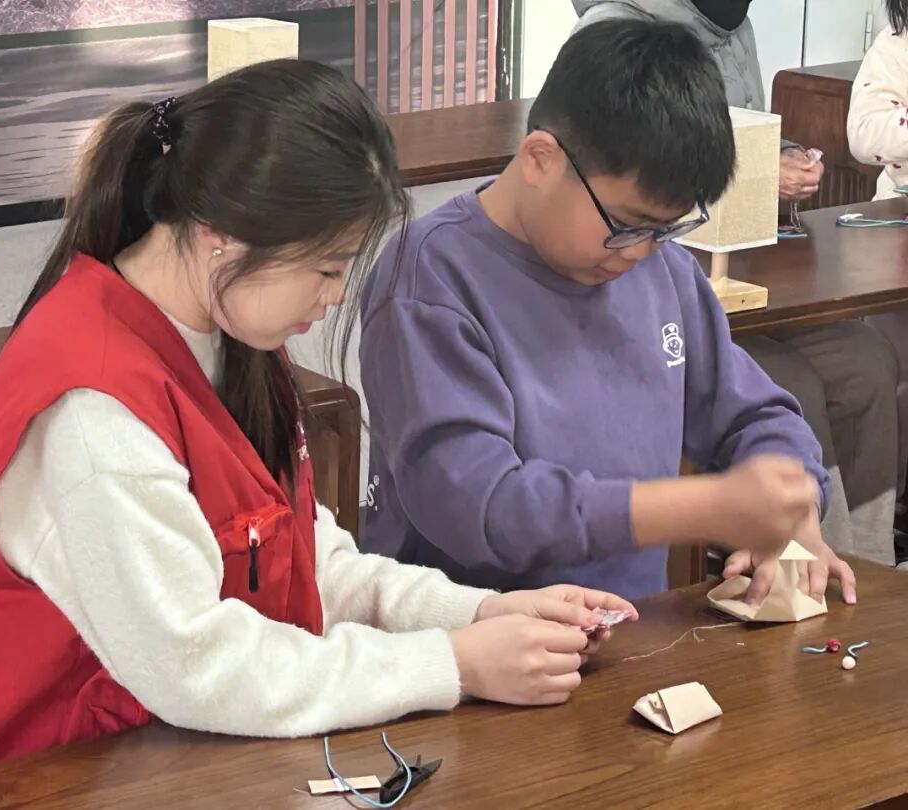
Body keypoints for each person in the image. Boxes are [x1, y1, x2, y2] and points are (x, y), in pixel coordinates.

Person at [0, 60, 638, 783]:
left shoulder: (230, 336)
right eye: (327, 266)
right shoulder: (92, 411)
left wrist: (480, 613)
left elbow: (307, 564)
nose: (336, 296)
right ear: (220, 233)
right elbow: (198, 666)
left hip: (177, 755)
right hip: (46, 778)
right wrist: (451, 664)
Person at [358, 19, 856, 605]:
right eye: (626, 223)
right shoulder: (429, 279)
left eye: (665, 229)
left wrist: (795, 512)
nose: (641, 251)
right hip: (470, 637)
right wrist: (704, 507)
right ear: (541, 158)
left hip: (630, 630)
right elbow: (480, 507)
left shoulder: (662, 269)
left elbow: (754, 415)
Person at [569, 0, 901, 566]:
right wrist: (754, 174)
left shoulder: (733, 23)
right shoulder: (613, 29)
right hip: (657, 273)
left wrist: (784, 156)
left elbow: (742, 131)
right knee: (791, 384)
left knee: (865, 360)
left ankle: (865, 564)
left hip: (744, 265)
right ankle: (798, 565)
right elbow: (632, 173)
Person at [847, 0, 908, 567]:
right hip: (898, 230)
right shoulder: (895, 45)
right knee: (888, 372)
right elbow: (864, 134)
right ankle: (884, 521)